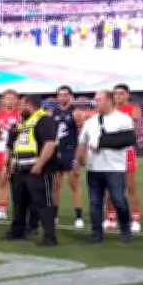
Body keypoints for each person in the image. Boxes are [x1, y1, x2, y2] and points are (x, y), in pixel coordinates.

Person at [77, 90, 136, 244]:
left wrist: (102, 143)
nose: (96, 103)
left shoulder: (123, 119)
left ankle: (125, 227)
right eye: (95, 100)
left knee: (119, 200)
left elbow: (128, 140)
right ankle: (96, 234)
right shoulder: (90, 122)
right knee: (95, 203)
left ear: (109, 100)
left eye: (99, 100)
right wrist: (78, 161)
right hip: (94, 168)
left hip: (115, 168)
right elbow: (82, 142)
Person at [2, 95, 59, 246]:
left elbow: (50, 144)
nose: (18, 108)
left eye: (21, 105)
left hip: (38, 170)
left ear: (29, 105)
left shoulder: (44, 120)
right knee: (19, 202)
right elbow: (11, 145)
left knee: (43, 203)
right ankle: (17, 230)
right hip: (20, 169)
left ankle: (49, 236)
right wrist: (7, 164)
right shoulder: (20, 123)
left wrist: (40, 164)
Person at [104, 84, 142, 232]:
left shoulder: (133, 110)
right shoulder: (109, 111)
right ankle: (111, 218)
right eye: (115, 94)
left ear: (128, 95)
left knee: (130, 186)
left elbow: (135, 131)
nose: (118, 96)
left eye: (121, 93)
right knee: (109, 187)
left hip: (126, 152)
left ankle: (136, 219)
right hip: (111, 153)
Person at [51, 85, 86, 228]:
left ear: (70, 96)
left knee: (74, 184)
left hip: (70, 152)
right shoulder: (53, 112)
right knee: (55, 186)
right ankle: (54, 216)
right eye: (60, 95)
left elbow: (82, 137)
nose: (63, 97)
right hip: (56, 152)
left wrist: (79, 158)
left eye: (65, 95)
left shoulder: (76, 112)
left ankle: (79, 217)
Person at [0, 89, 20, 222]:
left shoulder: (20, 114)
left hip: (17, 152)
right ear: (2, 100)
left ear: (17, 100)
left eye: (12, 98)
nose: (10, 100)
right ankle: (2, 211)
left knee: (19, 183)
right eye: (7, 98)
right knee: (2, 182)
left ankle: (20, 211)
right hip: (1, 151)